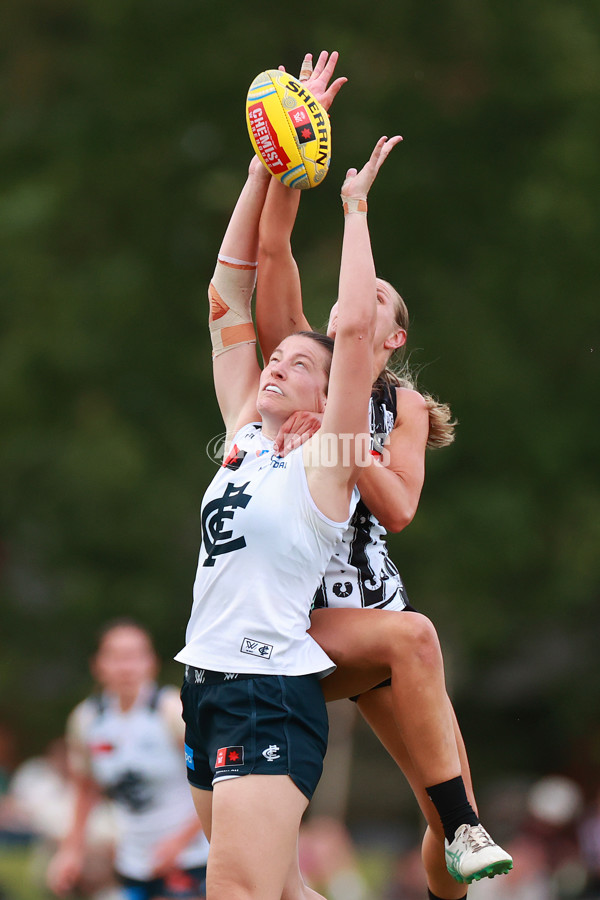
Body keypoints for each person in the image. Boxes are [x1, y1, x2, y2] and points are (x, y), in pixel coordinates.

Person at [255, 50, 514, 900]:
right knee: (415, 636)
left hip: (374, 611)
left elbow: (399, 510)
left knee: (453, 830)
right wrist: (284, 157)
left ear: (391, 339)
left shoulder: (392, 409)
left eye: (367, 315)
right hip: (302, 622)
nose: (347, 320)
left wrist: (347, 449)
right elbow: (271, 252)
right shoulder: (304, 372)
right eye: (340, 315)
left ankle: (455, 854)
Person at [175, 123, 402, 900]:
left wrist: (353, 209)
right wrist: (260, 164)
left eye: (300, 363)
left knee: (235, 893)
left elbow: (357, 327)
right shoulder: (244, 432)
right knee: (280, 891)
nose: (276, 361)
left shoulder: (330, 461)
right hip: (204, 686)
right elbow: (225, 293)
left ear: (329, 394)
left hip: (266, 693)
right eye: (276, 355)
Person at [46, 619, 209, 900]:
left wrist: (179, 842)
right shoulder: (87, 720)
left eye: (135, 656)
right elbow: (86, 789)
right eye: (116, 657)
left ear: (151, 662)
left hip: (190, 859)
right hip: (132, 861)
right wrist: (71, 850)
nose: (126, 667)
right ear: (98, 665)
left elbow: (214, 779)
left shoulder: (171, 710)